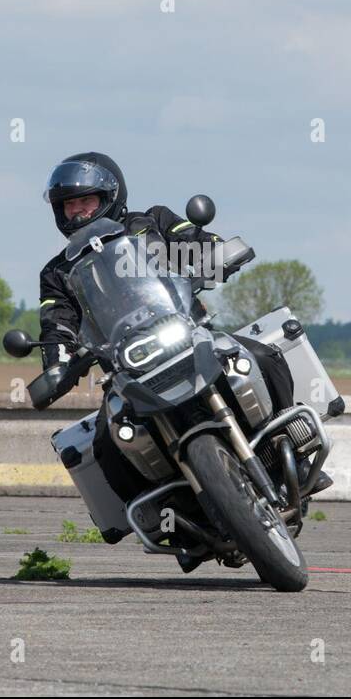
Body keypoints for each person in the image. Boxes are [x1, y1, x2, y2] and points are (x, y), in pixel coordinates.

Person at [36, 153, 295, 548]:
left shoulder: (150, 223)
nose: (77, 211)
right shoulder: (58, 272)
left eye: (85, 200)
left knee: (261, 356)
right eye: (69, 204)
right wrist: (58, 364)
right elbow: (57, 324)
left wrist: (215, 252)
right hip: (126, 366)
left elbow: (191, 242)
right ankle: (168, 520)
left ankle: (285, 440)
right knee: (108, 442)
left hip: (188, 335)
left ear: (110, 195)